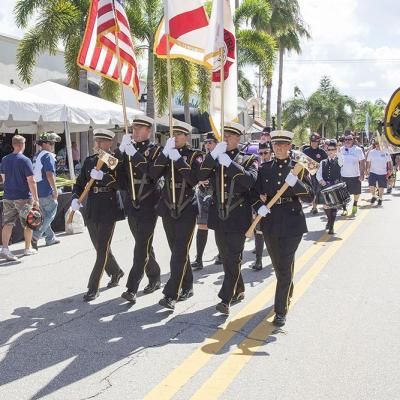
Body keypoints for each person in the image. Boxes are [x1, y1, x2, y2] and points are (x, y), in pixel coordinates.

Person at [252, 130, 313, 327]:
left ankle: (280, 310)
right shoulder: (265, 168)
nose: (279, 148)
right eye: (275, 145)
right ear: (271, 147)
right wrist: (258, 206)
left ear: (289, 147)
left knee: (285, 266)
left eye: (283, 145)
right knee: (279, 266)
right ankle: (288, 288)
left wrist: (295, 183)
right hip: (270, 221)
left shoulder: (298, 168)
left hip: (292, 220)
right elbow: (254, 193)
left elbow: (311, 196)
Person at [198, 122, 258, 315]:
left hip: (238, 212)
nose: (225, 139)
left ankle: (226, 298)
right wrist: (213, 156)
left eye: (230, 136)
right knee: (225, 257)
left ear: (238, 138)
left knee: (233, 256)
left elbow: (250, 181)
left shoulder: (248, 159)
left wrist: (229, 163)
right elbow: (201, 175)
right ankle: (239, 288)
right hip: (218, 212)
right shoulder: (215, 157)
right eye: (223, 136)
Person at [150, 121, 203, 310]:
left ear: (186, 137)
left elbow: (194, 180)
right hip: (167, 207)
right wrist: (166, 155)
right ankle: (187, 284)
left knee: (179, 252)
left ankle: (171, 294)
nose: (174, 138)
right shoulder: (166, 154)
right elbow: (153, 174)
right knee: (177, 251)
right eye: (172, 135)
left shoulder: (195, 156)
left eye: (178, 134)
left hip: (187, 208)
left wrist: (178, 160)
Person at [71, 129, 125, 301]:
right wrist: (75, 199)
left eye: (102, 141)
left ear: (110, 143)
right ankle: (116, 272)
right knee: (100, 246)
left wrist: (104, 176)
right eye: (97, 141)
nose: (99, 144)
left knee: (102, 249)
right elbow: (80, 184)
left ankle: (93, 286)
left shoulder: (114, 161)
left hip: (109, 206)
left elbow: (121, 184)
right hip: (92, 207)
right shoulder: (89, 161)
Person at [116, 116, 162, 305]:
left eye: (139, 128)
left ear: (148, 131)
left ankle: (131, 288)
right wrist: (120, 153)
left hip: (148, 202)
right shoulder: (127, 149)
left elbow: (152, 173)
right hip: (132, 202)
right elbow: (118, 176)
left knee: (141, 246)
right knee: (144, 244)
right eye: (134, 127)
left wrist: (133, 153)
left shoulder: (156, 150)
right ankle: (155, 275)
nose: (135, 131)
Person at [0, 135, 39, 261]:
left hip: (8, 196)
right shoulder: (25, 160)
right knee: (28, 223)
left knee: (8, 223)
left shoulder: (5, 159)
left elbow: (3, 178)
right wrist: (36, 198)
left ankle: (5, 249)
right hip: (23, 196)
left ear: (13, 144)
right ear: (22, 145)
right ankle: (27, 249)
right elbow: (31, 181)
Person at [191, 132, 218, 271]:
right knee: (202, 226)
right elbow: (197, 173)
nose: (207, 145)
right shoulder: (202, 157)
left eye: (210, 142)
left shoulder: (220, 157)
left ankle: (221, 255)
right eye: (206, 142)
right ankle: (199, 259)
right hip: (203, 194)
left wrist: (210, 181)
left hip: (216, 195)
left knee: (219, 227)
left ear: (216, 143)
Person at [31, 132, 62, 250]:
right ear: (44, 144)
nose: (53, 145)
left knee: (44, 215)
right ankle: (36, 236)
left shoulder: (37, 155)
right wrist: (55, 189)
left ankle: (50, 238)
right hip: (46, 190)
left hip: (37, 190)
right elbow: (49, 174)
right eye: (51, 142)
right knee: (51, 213)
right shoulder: (48, 155)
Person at [252, 142, 272, 271]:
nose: (263, 156)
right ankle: (258, 260)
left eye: (266, 153)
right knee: (258, 232)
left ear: (271, 153)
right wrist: (259, 196)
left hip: (274, 205)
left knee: (273, 233)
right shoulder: (256, 168)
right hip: (260, 204)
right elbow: (252, 187)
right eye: (261, 153)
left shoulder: (275, 167)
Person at [316, 140, 342, 234]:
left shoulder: (339, 161)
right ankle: (329, 220)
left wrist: (338, 151)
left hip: (335, 186)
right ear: (326, 151)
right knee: (326, 206)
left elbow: (341, 160)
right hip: (325, 186)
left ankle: (331, 226)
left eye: (333, 149)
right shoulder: (323, 162)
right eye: (329, 149)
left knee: (334, 206)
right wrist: (321, 181)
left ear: (335, 150)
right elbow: (318, 174)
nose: (330, 151)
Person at [339, 133, 366, 216]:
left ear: (353, 140)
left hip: (355, 175)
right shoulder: (341, 149)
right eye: (346, 139)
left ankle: (355, 204)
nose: (347, 141)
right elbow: (337, 162)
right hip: (343, 175)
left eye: (349, 139)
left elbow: (362, 162)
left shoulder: (358, 149)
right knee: (343, 193)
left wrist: (362, 174)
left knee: (356, 192)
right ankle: (344, 209)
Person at [303, 133, 327, 214]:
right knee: (312, 191)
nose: (313, 143)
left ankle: (321, 206)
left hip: (319, 175)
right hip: (308, 175)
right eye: (312, 141)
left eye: (315, 141)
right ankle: (314, 207)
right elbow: (302, 162)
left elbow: (326, 163)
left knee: (319, 191)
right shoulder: (306, 151)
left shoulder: (322, 152)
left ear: (318, 142)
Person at [366, 140, 392, 206]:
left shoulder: (386, 151)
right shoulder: (372, 152)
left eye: (379, 143)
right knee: (371, 184)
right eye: (376, 144)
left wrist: (389, 169)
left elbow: (389, 161)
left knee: (381, 186)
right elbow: (368, 161)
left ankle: (380, 199)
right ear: (375, 144)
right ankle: (374, 196)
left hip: (382, 172)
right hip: (373, 171)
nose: (378, 145)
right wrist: (367, 169)